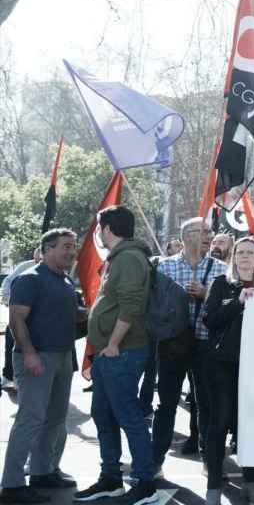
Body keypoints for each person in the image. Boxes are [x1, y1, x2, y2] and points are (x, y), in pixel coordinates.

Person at [73, 206, 159, 505]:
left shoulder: (131, 258)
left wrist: (112, 343)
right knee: (103, 415)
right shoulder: (121, 258)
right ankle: (111, 479)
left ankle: (145, 483)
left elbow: (131, 305)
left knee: (129, 418)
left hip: (122, 352)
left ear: (108, 228)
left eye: (99, 227)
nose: (97, 233)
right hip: (109, 354)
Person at [0, 230, 79, 504]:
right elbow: (16, 319)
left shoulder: (66, 280)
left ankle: (42, 472)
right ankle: (11, 485)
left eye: (73, 247)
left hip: (62, 358)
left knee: (56, 418)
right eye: (65, 247)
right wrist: (30, 353)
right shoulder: (29, 278)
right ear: (46, 249)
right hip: (36, 358)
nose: (71, 252)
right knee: (30, 419)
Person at [153, 218, 226, 467]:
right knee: (167, 404)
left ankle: (210, 459)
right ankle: (155, 461)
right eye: (203, 232)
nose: (209, 236)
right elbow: (155, 308)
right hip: (172, 345)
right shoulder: (164, 268)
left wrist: (206, 295)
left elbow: (226, 309)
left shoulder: (221, 269)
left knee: (205, 403)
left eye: (210, 232)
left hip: (206, 345)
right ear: (186, 236)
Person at [202, 237, 254, 504]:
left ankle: (251, 482)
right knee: (218, 425)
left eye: (249, 253)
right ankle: (214, 486)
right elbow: (209, 319)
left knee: (249, 428)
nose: (244, 257)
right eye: (239, 252)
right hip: (221, 366)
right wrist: (237, 301)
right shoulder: (221, 284)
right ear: (234, 257)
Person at [1, 248, 41, 392]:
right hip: (19, 313)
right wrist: (8, 298)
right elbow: (7, 282)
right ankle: (9, 376)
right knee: (12, 342)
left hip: (37, 319)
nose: (38, 261)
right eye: (37, 259)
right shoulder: (24, 267)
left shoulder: (55, 269)